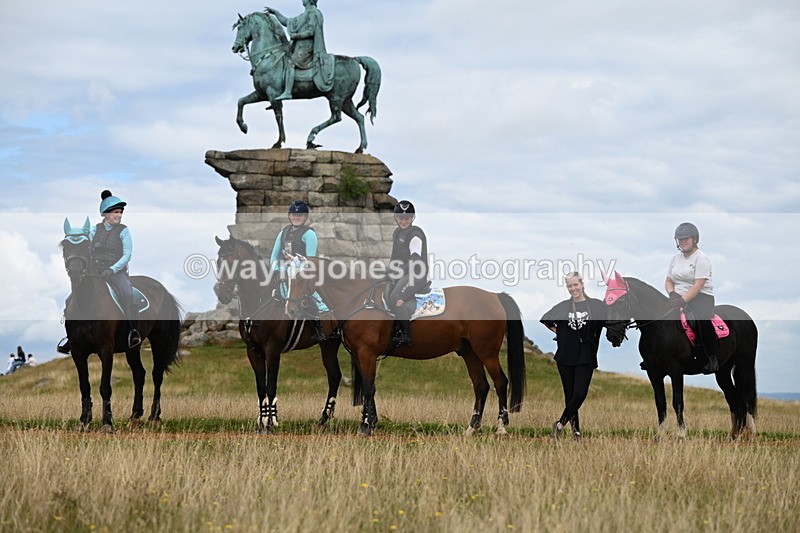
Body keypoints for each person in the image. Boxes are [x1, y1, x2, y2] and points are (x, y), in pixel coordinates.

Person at [56, 190, 141, 354]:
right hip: (94, 272)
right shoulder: (95, 229)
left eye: (120, 212)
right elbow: (85, 245)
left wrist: (112, 269)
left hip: (116, 273)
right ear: (106, 214)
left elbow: (127, 255)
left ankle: (133, 332)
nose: (119, 215)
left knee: (128, 294)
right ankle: (70, 338)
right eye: (116, 212)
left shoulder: (124, 231)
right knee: (69, 300)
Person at [540, 272, 607, 441]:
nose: (573, 288)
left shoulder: (596, 306)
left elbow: (610, 318)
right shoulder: (563, 307)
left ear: (582, 284)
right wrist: (560, 333)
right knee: (569, 396)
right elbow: (545, 319)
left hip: (586, 355)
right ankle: (576, 432)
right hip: (565, 355)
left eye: (575, 285)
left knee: (580, 394)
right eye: (569, 286)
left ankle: (559, 424)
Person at [665, 222, 718, 374]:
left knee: (701, 321)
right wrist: (672, 294)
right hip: (678, 297)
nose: (683, 242)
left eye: (686, 239)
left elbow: (698, 285)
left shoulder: (701, 259)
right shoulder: (675, 259)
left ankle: (711, 358)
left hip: (701, 297)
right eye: (680, 239)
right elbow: (668, 281)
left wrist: (682, 300)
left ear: (694, 239)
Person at [270, 200, 326, 341]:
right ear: (289, 216)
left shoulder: (309, 234)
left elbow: (309, 261)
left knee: (312, 297)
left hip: (302, 272)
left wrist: (294, 270)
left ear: (305, 217)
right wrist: (277, 269)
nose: (296, 217)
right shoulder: (283, 232)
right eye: (294, 215)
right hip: (283, 271)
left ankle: (317, 327)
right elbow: (274, 257)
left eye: (300, 215)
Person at [264, 0, 334, 100]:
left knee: (290, 63)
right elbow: (287, 22)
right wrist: (276, 13)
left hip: (307, 47)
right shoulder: (303, 15)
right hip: (299, 46)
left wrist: (296, 36)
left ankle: (288, 92)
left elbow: (311, 31)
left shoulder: (313, 13)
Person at [387, 200, 429, 347]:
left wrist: (398, 272)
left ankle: (406, 335)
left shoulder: (415, 234)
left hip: (416, 275)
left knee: (395, 296)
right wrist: (387, 272)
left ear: (412, 218)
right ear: (396, 218)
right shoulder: (397, 233)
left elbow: (415, 260)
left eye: (407, 218)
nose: (403, 221)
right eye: (400, 218)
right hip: (403, 274)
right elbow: (394, 258)